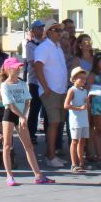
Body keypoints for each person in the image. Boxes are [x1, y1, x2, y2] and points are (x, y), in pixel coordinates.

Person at [0, 56, 53, 186]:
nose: (18, 70)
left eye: (19, 68)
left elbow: (28, 100)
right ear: (8, 69)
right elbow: (10, 104)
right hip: (10, 115)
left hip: (21, 114)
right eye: (15, 68)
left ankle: (38, 175)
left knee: (28, 145)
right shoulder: (4, 85)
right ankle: (9, 175)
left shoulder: (22, 83)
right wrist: (22, 116)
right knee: (7, 145)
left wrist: (24, 115)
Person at [33, 23, 70, 167]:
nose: (60, 33)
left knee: (58, 123)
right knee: (53, 123)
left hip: (60, 90)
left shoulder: (57, 47)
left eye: (61, 30)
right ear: (48, 32)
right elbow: (38, 67)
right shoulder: (44, 47)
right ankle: (50, 156)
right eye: (57, 30)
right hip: (51, 91)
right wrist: (46, 88)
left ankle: (52, 153)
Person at [23, 20, 47, 143]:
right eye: (38, 28)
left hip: (47, 80)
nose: (41, 30)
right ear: (33, 31)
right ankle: (31, 134)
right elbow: (33, 63)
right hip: (35, 81)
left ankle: (49, 133)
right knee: (35, 108)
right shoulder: (30, 45)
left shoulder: (46, 43)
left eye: (42, 28)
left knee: (47, 108)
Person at [65, 66, 90, 172]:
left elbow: (86, 105)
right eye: (81, 78)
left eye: (84, 78)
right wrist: (79, 108)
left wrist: (87, 102)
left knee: (82, 141)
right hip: (75, 120)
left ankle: (81, 162)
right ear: (74, 79)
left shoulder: (84, 91)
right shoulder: (72, 90)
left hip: (84, 119)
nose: (83, 80)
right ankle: (74, 164)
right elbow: (66, 105)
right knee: (74, 141)